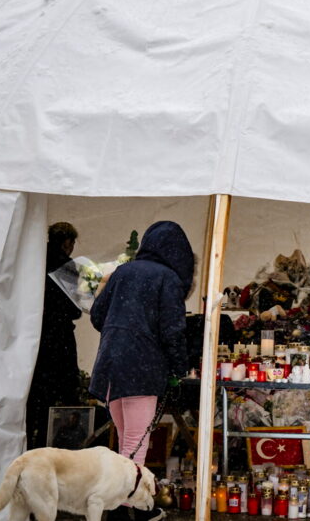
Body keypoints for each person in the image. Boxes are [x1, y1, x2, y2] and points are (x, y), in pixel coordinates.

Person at [90, 221, 193, 521]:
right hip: (141, 367)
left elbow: (97, 316)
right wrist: (178, 367)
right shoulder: (168, 279)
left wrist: (121, 329)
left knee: (126, 441)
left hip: (110, 365)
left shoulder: (123, 272)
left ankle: (127, 508)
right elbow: (173, 331)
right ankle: (124, 512)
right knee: (136, 443)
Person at [26, 222, 83, 450]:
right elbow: (75, 308)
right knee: (59, 396)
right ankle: (49, 447)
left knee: (33, 395)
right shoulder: (66, 265)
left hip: (34, 334)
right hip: (58, 338)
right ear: (68, 242)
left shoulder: (34, 260)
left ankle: (28, 443)